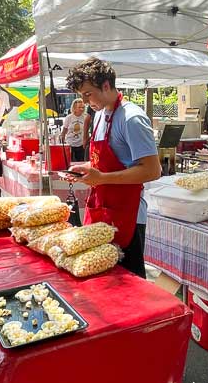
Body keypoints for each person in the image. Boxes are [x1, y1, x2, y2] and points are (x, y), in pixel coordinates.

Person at [66, 58, 161, 278]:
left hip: (128, 216)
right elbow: (106, 163)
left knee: (127, 285)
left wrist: (102, 177)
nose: (85, 101)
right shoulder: (99, 115)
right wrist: (88, 169)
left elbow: (152, 170)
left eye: (88, 94)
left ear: (106, 85)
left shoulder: (131, 118)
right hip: (102, 210)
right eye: (81, 95)